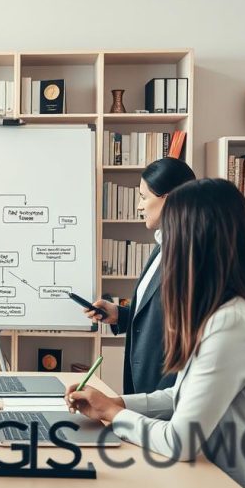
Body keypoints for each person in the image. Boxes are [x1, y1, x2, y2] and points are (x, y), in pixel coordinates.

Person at [66, 178, 245, 488]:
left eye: (170, 236)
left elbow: (181, 442)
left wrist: (113, 414)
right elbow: (179, 395)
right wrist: (117, 404)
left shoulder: (233, 323)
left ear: (192, 244)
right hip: (219, 480)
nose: (164, 248)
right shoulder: (221, 312)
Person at [83, 157, 195, 395]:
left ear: (170, 198)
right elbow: (160, 316)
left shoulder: (190, 254)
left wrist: (164, 396)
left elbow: (188, 331)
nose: (138, 206)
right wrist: (120, 316)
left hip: (165, 390)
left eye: (144, 197)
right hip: (145, 387)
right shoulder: (164, 245)